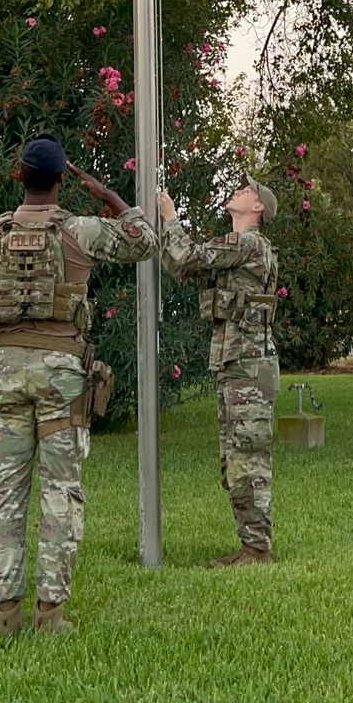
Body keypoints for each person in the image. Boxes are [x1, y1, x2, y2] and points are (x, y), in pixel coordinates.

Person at [0, 134, 157, 636]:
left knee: (6, 492)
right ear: (61, 180)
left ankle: (5, 615)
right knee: (60, 493)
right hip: (64, 376)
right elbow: (145, 241)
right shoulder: (81, 231)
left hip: (6, 374)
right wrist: (112, 198)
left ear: (19, 176)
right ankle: (51, 615)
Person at [157, 175, 279, 567]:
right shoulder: (240, 248)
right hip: (236, 362)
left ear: (257, 208)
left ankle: (257, 548)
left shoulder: (248, 244)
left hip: (247, 365)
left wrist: (170, 218)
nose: (239, 191)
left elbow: (188, 256)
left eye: (247, 191)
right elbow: (179, 264)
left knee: (248, 457)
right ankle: (249, 544)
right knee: (234, 456)